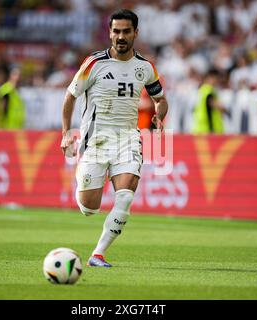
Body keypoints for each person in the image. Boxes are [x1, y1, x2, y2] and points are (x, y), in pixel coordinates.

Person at [60, 9, 168, 267]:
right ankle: (90, 184)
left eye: (126, 31)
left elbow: (160, 99)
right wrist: (66, 133)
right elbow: (70, 97)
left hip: (128, 139)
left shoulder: (145, 67)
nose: (120, 36)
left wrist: (159, 115)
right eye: (116, 31)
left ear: (135, 33)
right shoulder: (94, 64)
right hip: (96, 140)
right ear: (109, 33)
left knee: (126, 194)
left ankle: (98, 254)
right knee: (90, 208)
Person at [192, 69, 229, 134]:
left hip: (199, 128)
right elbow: (219, 106)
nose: (217, 81)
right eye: (216, 78)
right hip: (207, 131)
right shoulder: (208, 91)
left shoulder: (201, 91)